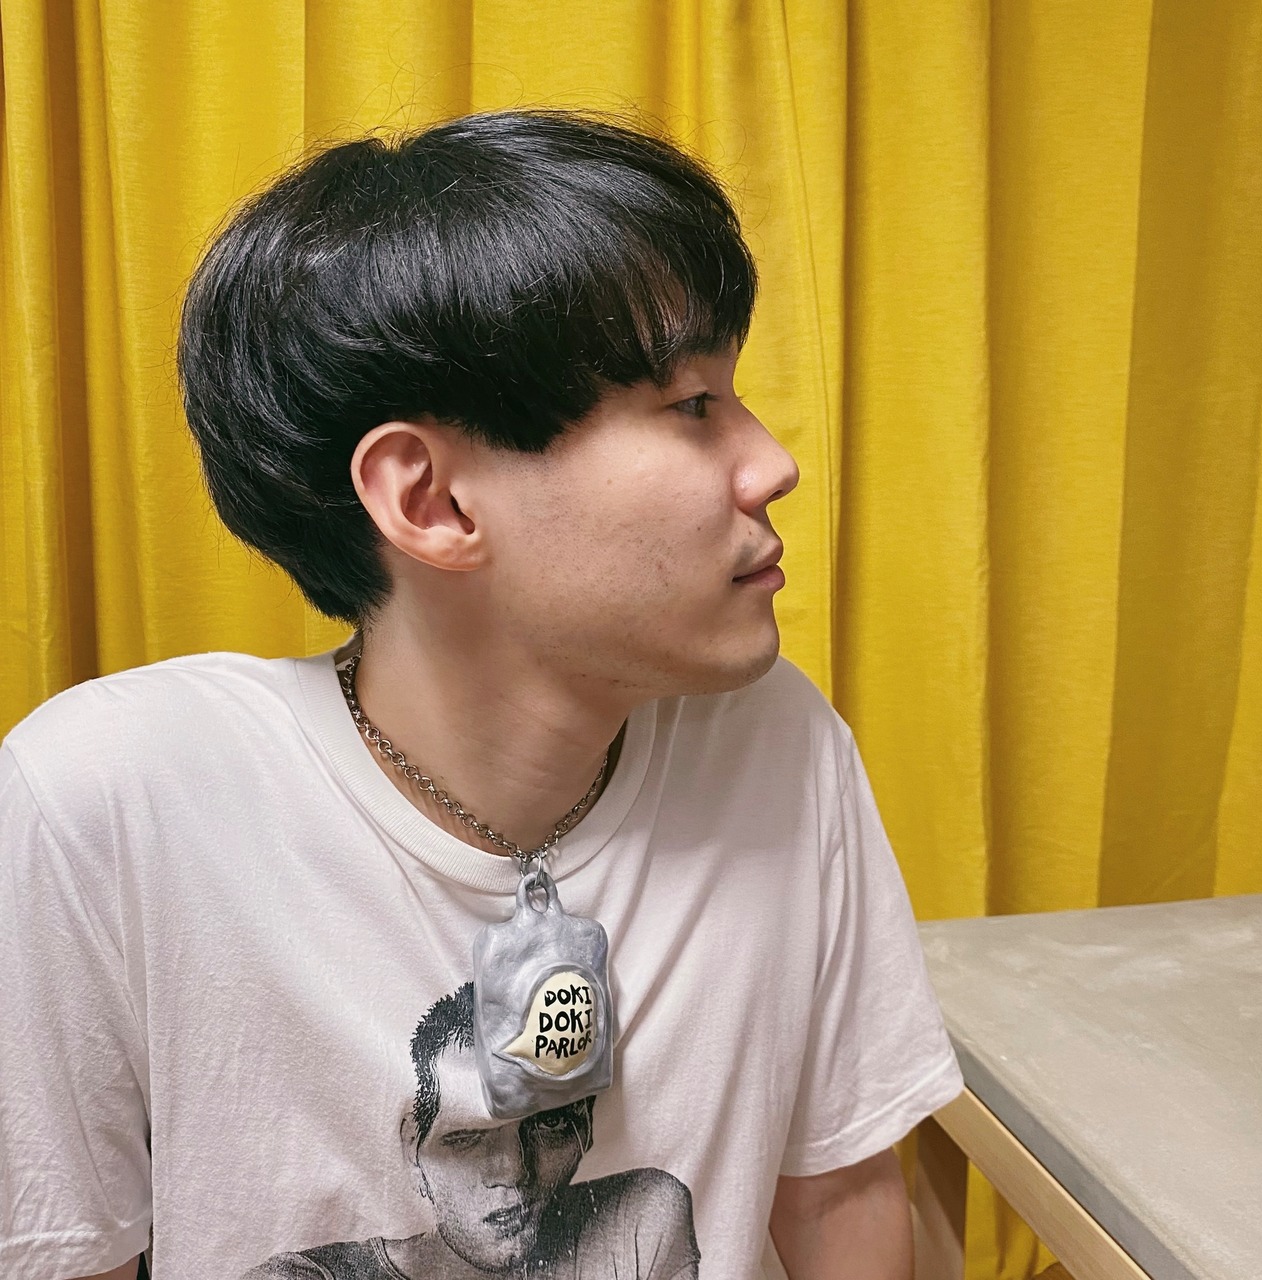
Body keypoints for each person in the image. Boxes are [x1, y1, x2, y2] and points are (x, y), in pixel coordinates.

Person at [0, 108, 963, 1280]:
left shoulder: (771, 740)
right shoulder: (112, 800)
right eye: (689, 405)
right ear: (431, 501)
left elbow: (840, 1194)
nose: (772, 462)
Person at [243, 982, 699, 1278]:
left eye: (549, 1125)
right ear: (413, 1151)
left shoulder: (636, 1222)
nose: (513, 1170)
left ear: (585, 1127)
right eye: (466, 1136)